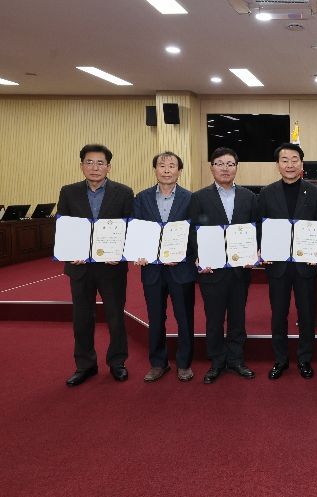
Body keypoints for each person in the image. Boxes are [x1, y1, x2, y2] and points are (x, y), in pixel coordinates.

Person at [58, 144, 134, 386]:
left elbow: (130, 229)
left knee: (115, 317)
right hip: (80, 267)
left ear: (108, 167)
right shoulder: (68, 192)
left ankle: (117, 362)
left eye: (100, 163)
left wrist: (121, 253)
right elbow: (63, 228)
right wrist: (70, 252)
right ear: (81, 165)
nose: (94, 167)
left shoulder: (124, 192)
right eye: (89, 162)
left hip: (111, 267)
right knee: (82, 318)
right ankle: (85, 365)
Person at [188, 147, 258, 384]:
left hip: (240, 270)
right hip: (212, 270)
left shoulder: (249, 197)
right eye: (220, 164)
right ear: (212, 168)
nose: (225, 168)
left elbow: (256, 229)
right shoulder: (198, 197)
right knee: (214, 319)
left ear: (236, 168)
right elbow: (192, 231)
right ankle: (217, 361)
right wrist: (199, 257)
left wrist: (255, 252)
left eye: (230, 164)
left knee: (238, 317)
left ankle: (236, 360)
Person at [257, 143, 317, 380]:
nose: (290, 165)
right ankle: (281, 359)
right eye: (284, 160)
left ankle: (304, 359)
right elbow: (260, 226)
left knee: (306, 314)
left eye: (294, 160)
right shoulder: (266, 193)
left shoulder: (314, 192)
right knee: (279, 314)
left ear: (301, 163)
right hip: (278, 265)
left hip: (305, 265)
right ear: (278, 165)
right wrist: (261, 249)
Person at [132, 152, 195, 382]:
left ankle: (184, 364)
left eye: (172, 166)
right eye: (162, 165)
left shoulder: (191, 198)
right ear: (155, 170)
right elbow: (136, 230)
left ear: (180, 171)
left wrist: (183, 255)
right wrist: (138, 253)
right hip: (152, 270)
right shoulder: (142, 198)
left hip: (181, 269)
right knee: (155, 317)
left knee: (184, 318)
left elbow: (195, 234)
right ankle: (158, 363)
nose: (167, 170)